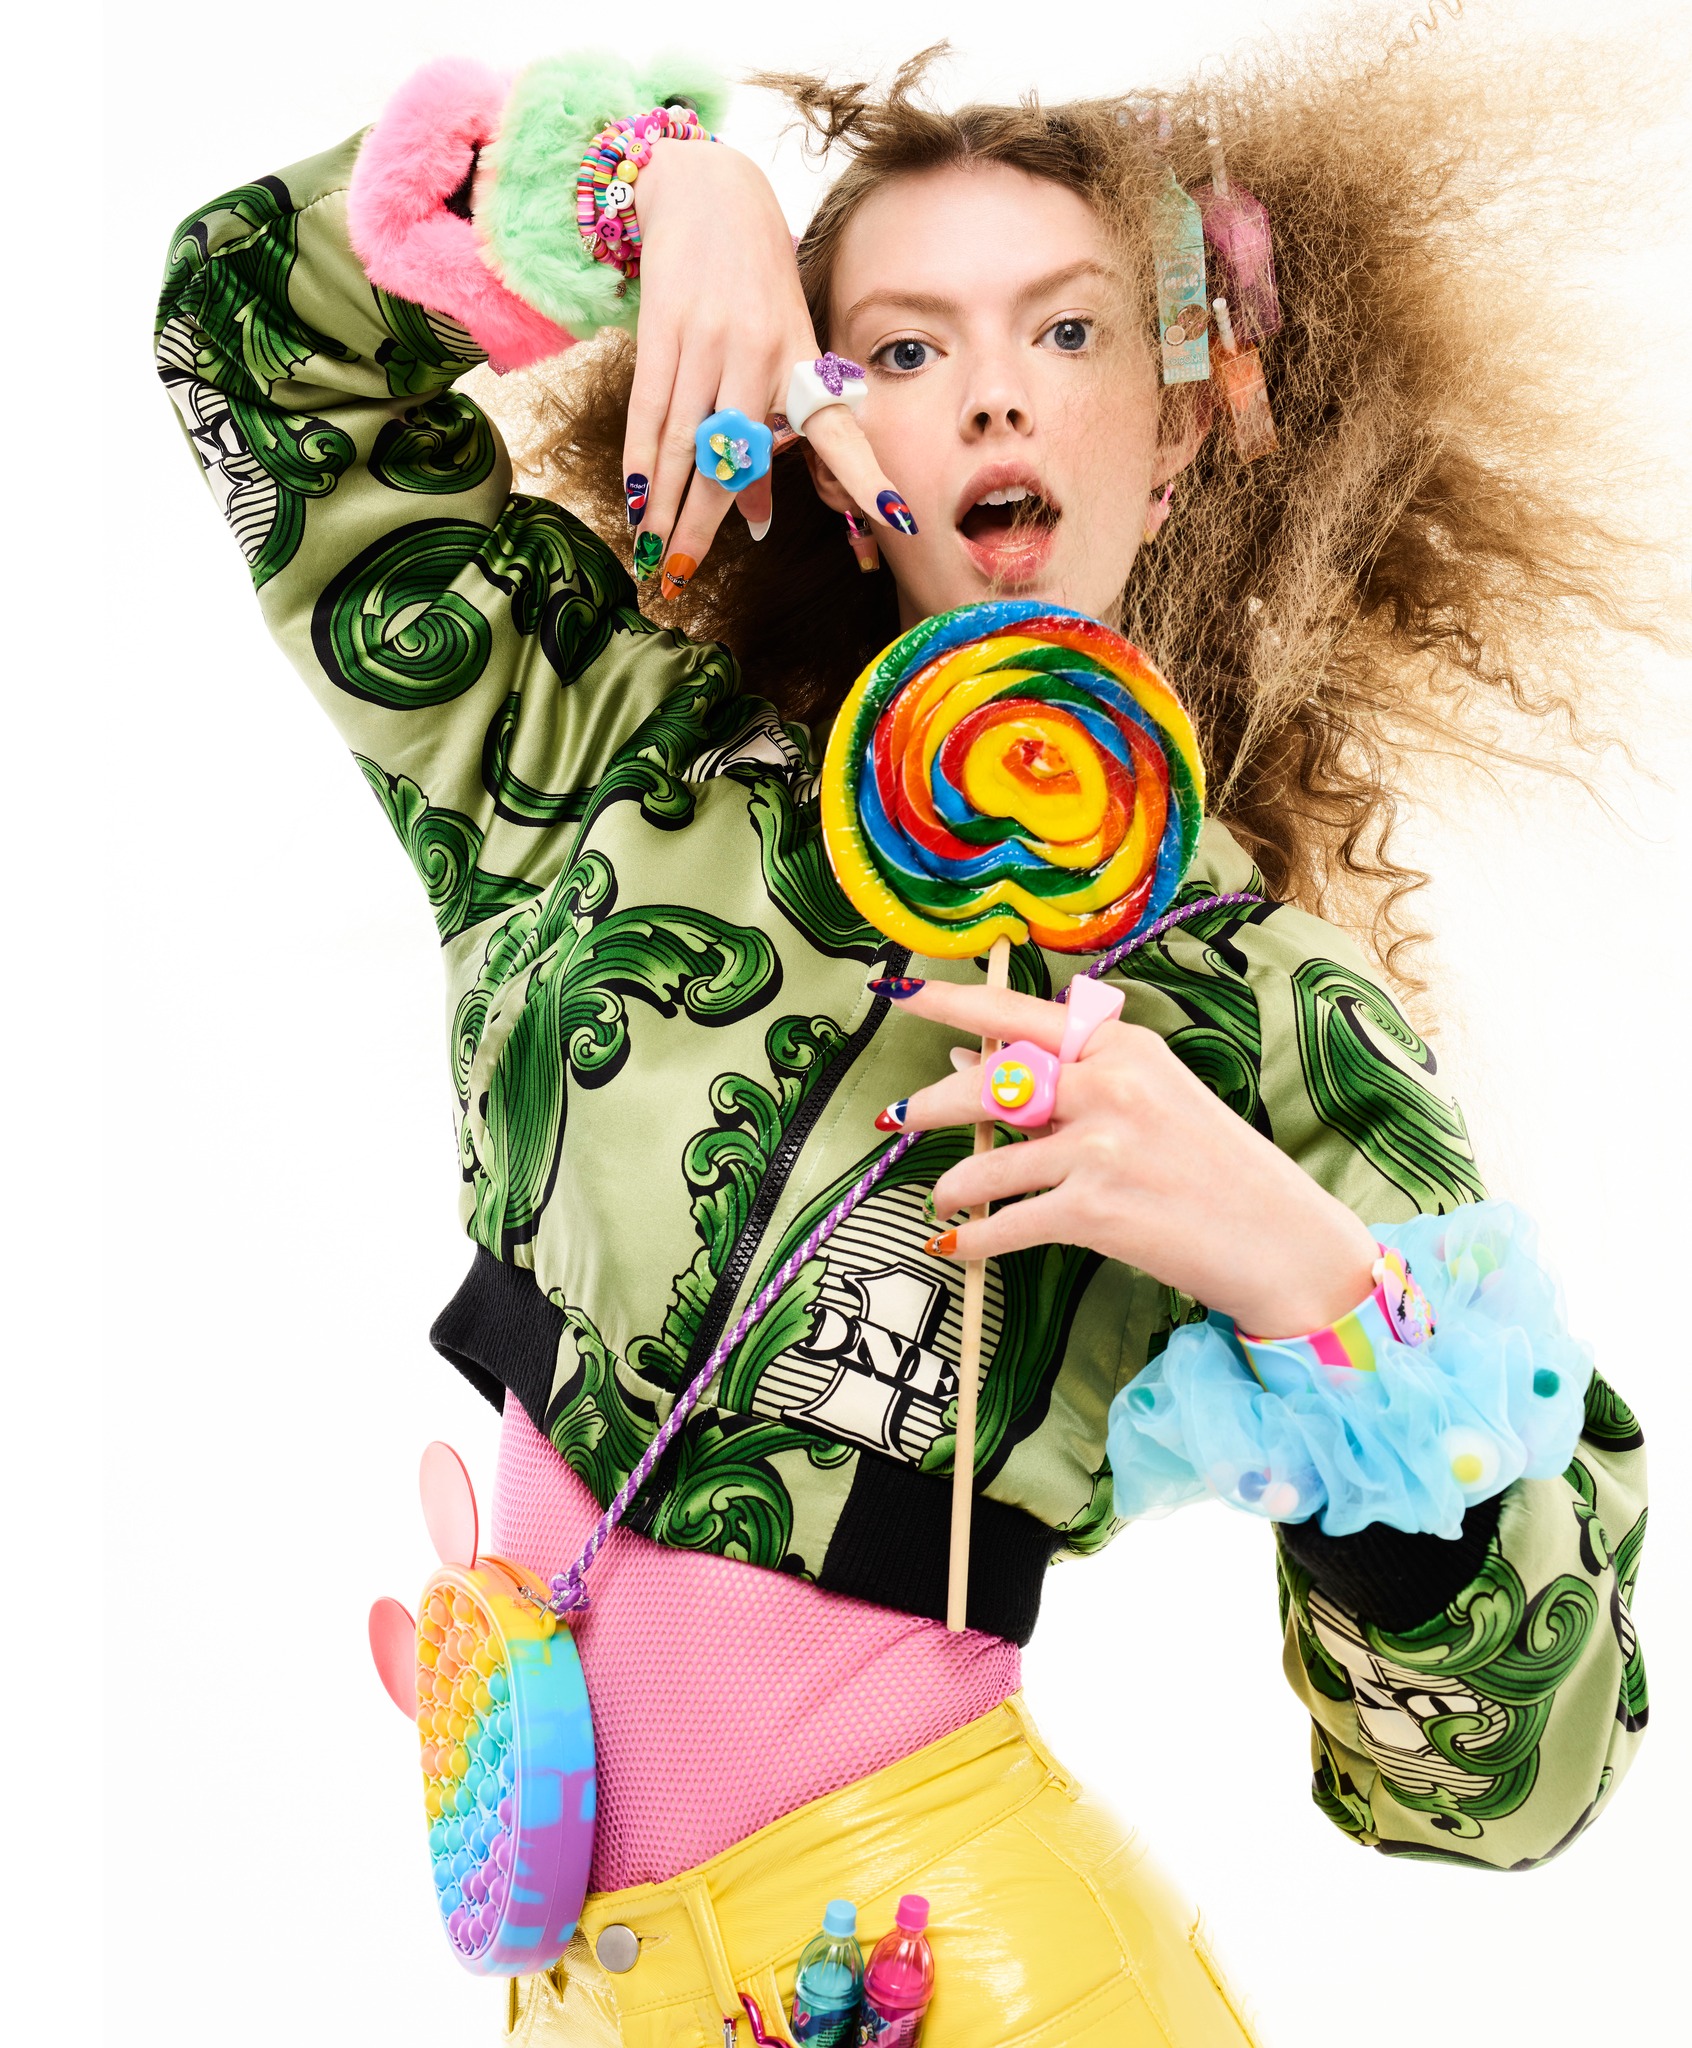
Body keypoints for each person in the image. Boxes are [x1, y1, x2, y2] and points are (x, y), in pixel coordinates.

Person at [155, 19, 1653, 2046]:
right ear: (809, 422)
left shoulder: (1259, 1009)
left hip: (981, 1981)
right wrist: (641, 199)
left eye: (1068, 330)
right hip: (581, 1997)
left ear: (1181, 423)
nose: (993, 392)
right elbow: (247, 342)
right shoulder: (599, 763)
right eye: (905, 346)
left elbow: (1516, 1782)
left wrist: (1317, 1288)